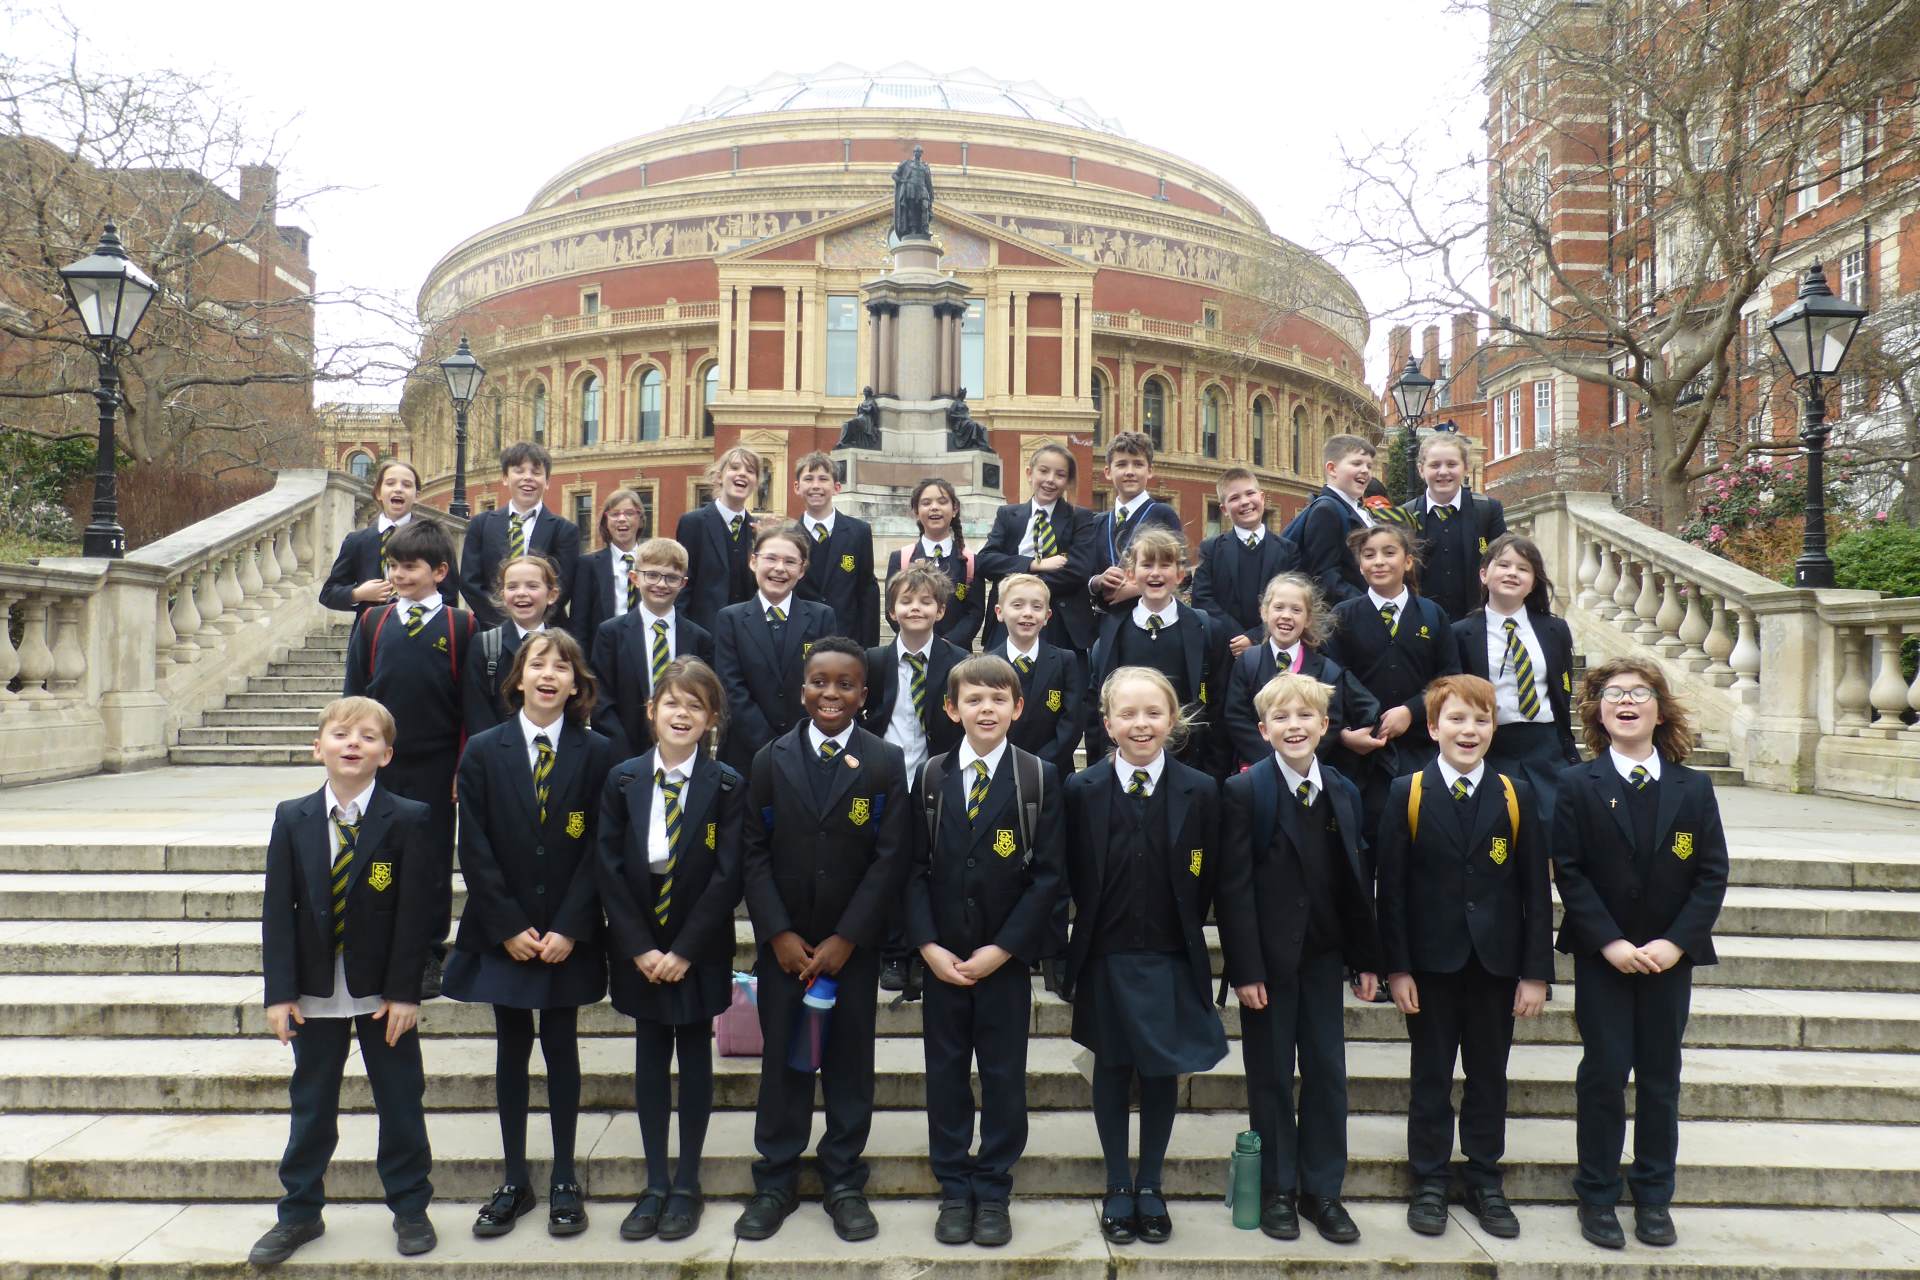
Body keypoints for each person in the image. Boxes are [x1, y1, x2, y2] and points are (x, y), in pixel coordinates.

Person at [250, 696, 437, 1266]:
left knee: (400, 1099)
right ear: (318, 748)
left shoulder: (408, 818)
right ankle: (299, 1211)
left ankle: (410, 1206)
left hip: (382, 991)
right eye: (340, 734)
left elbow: (417, 913)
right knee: (312, 1101)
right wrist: (280, 992)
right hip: (313, 988)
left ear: (386, 754)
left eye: (367, 736)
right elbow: (277, 910)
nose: (352, 743)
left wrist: (405, 992)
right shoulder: (294, 817)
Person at [735, 638, 910, 1244]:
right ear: (802, 687)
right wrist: (779, 932)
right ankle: (775, 1179)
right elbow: (753, 853)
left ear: (864, 694)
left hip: (849, 952)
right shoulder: (770, 759)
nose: (830, 693)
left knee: (848, 1062)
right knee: (783, 1061)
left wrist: (847, 938)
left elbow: (890, 859)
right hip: (786, 950)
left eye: (845, 684)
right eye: (819, 682)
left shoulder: (884, 761)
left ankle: (843, 1179)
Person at [1554, 659, 1728, 1252]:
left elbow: (1711, 873)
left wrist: (1675, 942)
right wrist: (1610, 941)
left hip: (1668, 959)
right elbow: (1569, 870)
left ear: (1660, 708)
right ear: (1597, 712)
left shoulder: (1693, 788)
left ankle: (1654, 1196)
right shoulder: (1577, 784)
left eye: (1639, 692)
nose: (1626, 701)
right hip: (1603, 956)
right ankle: (1597, 1193)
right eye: (1613, 693)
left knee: (1660, 1078)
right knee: (1604, 1074)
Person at [446, 630, 612, 1240]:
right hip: (504, 932)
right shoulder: (484, 750)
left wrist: (569, 925)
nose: (549, 675)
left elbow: (602, 847)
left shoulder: (598, 753)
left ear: (575, 684)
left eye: (562, 667)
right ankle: (514, 1178)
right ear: (517, 678)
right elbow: (474, 844)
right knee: (511, 1048)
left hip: (569, 933)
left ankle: (565, 1177)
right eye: (537, 664)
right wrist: (508, 925)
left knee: (562, 1046)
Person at [1373, 674, 1550, 1241]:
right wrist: (1397, 967)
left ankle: (1483, 1177)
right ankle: (1428, 1178)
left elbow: (1534, 891)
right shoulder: (1408, 792)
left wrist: (1535, 973)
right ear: (1432, 728)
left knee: (1489, 1075)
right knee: (1430, 1074)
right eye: (1455, 719)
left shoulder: (1516, 794)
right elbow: (1391, 890)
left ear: (1494, 728)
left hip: (1496, 965)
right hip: (1430, 965)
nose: (1468, 730)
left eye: (1480, 719)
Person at [1059, 667, 1228, 1247]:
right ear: (1106, 723)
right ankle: (1116, 1184)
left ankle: (1150, 1183)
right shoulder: (1080, 790)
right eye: (1127, 714)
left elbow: (1210, 876)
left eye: (1153, 713)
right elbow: (1067, 872)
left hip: (1169, 953)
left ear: (1172, 720)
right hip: (1105, 954)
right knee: (1110, 1065)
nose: (1140, 724)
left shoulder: (1201, 789)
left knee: (1160, 1070)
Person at [1215, 672, 1381, 1246]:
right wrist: (1245, 969)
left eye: (1305, 716)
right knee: (1270, 1076)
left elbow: (1356, 879)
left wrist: (1366, 959)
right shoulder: (1244, 791)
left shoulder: (1343, 789)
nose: (1294, 726)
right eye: (1281, 718)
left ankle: (1322, 1190)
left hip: (1324, 956)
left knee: (1328, 1073)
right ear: (1263, 730)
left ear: (1325, 725)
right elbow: (1233, 888)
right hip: (1268, 963)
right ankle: (1277, 1189)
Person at [906, 654, 1065, 1248]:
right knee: (945, 1074)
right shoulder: (931, 778)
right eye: (973, 700)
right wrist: (927, 945)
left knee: (1003, 1075)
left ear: (1018, 708)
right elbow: (912, 870)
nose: (986, 709)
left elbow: (1049, 878)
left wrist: (1005, 948)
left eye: (999, 699)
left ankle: (994, 1186)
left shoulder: (1038, 778)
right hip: (943, 960)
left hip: (1004, 962)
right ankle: (953, 1185)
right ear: (952, 709)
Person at [596, 657, 745, 1243]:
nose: (682, 714)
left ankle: (687, 1183)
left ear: (712, 719)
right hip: (639, 939)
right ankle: (655, 1182)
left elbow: (728, 874)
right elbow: (608, 867)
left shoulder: (726, 783)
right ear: (652, 710)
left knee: (695, 1055)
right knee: (651, 1053)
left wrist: (684, 950)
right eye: (673, 703)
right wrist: (638, 946)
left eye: (696, 706)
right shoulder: (623, 779)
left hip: (698, 941)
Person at [342, 518, 475, 965]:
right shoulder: (373, 623)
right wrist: (353, 758)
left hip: (437, 768)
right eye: (394, 566)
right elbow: (354, 698)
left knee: (431, 860)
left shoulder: (462, 626)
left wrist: (462, 767)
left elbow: (471, 706)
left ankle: (428, 953)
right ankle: (380, 945)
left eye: (410, 567)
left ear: (439, 571)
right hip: (382, 766)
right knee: (379, 855)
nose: (399, 575)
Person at [1321, 523, 1461, 851]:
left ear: (1408, 561)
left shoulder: (1433, 615)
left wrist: (1411, 711)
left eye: (1389, 553)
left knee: (1420, 840)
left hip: (1420, 750)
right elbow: (1329, 680)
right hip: (1360, 756)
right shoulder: (1342, 615)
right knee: (1366, 842)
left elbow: (1450, 677)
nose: (1379, 562)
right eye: (1369, 555)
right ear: (1360, 565)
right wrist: (1343, 734)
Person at [862, 562, 968, 992]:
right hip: (887, 779)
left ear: (940, 610)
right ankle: (893, 952)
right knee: (890, 866)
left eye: (926, 601)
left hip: (936, 779)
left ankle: (926, 950)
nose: (916, 608)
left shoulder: (958, 661)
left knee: (932, 868)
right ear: (892, 610)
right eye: (906, 601)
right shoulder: (874, 660)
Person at [1453, 534, 1582, 826]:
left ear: (1533, 582)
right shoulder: (1461, 633)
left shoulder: (1555, 630)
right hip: (1492, 745)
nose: (1512, 573)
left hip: (1546, 745)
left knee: (1553, 829)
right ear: (1484, 574)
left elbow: (1561, 689)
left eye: (1523, 568)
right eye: (1504, 565)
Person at [1085, 529, 1224, 769]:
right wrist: (1099, 769)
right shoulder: (1111, 635)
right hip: (1124, 763)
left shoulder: (1205, 630)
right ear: (1131, 574)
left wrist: (1213, 772)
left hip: (1188, 764)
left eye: (1165, 565)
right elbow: (1095, 707)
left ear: (1180, 574)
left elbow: (1218, 704)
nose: (1156, 573)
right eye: (1147, 565)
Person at [712, 524, 838, 774]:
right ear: (753, 562)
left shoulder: (822, 617)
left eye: (790, 561)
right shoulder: (730, 619)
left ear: (802, 570)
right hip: (746, 753)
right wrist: (771, 746)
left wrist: (797, 742)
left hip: (806, 749)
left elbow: (825, 682)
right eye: (771, 558)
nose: (780, 568)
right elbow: (731, 687)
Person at [1223, 572, 1378, 772]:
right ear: (1264, 612)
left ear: (1308, 619)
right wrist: (1274, 760)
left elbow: (1331, 723)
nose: (1286, 615)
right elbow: (1236, 718)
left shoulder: (1326, 670)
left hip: (1306, 768)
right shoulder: (1248, 662)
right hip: (1257, 769)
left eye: (1296, 610)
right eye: (1279, 607)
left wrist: (1298, 756)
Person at [591, 537, 715, 764]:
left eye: (671, 578)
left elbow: (704, 701)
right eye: (652, 575)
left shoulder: (700, 639)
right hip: (623, 754)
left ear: (683, 583)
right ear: (635, 578)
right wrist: (625, 757)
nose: (661, 584)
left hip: (682, 754)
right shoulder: (611, 634)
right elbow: (601, 700)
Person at [977, 442, 1092, 653]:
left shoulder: (1080, 518)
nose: (1050, 480)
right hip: (1008, 620)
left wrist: (1031, 594)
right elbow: (986, 561)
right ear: (1030, 473)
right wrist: (1033, 564)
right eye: (1044, 471)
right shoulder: (1007, 515)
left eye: (1060, 475)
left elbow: (1078, 570)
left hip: (1058, 620)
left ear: (1068, 481)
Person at [459, 442, 581, 629]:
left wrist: (532, 622)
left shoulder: (564, 530)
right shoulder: (481, 525)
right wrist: (506, 626)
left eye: (536, 472)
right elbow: (470, 582)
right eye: (519, 471)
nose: (528, 478)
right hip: (492, 629)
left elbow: (563, 586)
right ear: (505, 477)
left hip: (545, 632)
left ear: (547, 482)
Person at [1191, 468, 1301, 653]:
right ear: (1224, 509)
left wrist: (1255, 637)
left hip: (1273, 647)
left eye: (1250, 493)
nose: (1244, 502)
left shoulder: (1288, 551)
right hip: (1226, 649)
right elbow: (1202, 599)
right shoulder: (1211, 549)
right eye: (1234, 498)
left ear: (1262, 498)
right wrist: (1238, 637)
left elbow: (1295, 600)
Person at [1403, 434, 1506, 625]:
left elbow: (1502, 563)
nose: (1443, 472)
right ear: (1421, 470)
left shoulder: (1488, 510)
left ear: (1465, 467)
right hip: (1422, 625)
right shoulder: (1405, 516)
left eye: (1451, 464)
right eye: (1435, 465)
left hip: (1476, 623)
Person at [991, 572, 1086, 778]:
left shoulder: (1064, 660)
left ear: (1047, 616)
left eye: (1036, 607)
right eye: (1017, 605)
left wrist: (1038, 765)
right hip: (1000, 770)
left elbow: (1072, 722)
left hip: (1053, 771)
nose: (1027, 613)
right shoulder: (987, 664)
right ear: (999, 612)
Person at [1078, 432, 1183, 616]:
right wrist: (1098, 581)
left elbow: (1182, 573)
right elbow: (1084, 574)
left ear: (1150, 470)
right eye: (1121, 464)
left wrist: (1137, 588)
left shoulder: (1162, 514)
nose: (1130, 472)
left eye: (1138, 464)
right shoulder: (1097, 522)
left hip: (1150, 617)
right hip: (1106, 621)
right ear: (1107, 472)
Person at [320, 458, 431, 623]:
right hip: (370, 631)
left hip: (418, 629)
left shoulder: (430, 538)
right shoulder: (357, 541)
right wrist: (358, 593)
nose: (398, 489)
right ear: (378, 492)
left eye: (407, 485)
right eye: (390, 483)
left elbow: (448, 594)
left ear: (416, 496)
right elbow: (328, 594)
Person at [462, 554, 560, 737]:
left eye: (532, 586)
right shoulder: (484, 646)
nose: (521, 593)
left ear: (551, 595)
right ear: (502, 595)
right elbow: (476, 711)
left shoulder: (563, 649)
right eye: (512, 586)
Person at [792, 451, 880, 647]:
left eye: (823, 479)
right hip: (801, 640)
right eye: (808, 479)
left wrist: (868, 648)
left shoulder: (859, 532)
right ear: (797, 487)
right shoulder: (788, 537)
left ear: (837, 487)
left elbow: (867, 591)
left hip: (846, 640)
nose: (816, 485)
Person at [885, 478, 983, 649]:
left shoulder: (970, 561)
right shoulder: (901, 558)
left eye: (942, 502)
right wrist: (918, 638)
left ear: (955, 509)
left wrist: (947, 644)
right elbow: (891, 607)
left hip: (956, 653)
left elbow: (974, 613)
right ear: (916, 511)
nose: (934, 507)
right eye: (926, 503)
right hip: (913, 648)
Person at [676, 446, 762, 631]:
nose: (742, 474)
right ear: (719, 477)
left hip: (748, 633)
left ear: (756, 482)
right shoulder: (693, 523)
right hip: (705, 632)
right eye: (734, 468)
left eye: (750, 471)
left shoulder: (758, 530)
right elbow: (683, 583)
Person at [1292, 434, 1377, 605]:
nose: (1365, 471)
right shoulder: (1326, 511)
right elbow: (1324, 576)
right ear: (1332, 469)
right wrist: (1368, 605)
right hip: (1347, 613)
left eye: (1369, 466)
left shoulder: (1357, 509)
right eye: (1357, 463)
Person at [568, 487, 650, 647]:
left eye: (629, 513)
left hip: (644, 648)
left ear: (640, 519)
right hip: (604, 650)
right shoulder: (588, 565)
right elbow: (579, 623)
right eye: (614, 514)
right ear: (606, 521)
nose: (622, 519)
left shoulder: (653, 563)